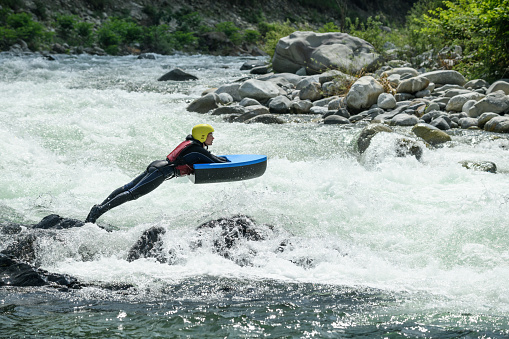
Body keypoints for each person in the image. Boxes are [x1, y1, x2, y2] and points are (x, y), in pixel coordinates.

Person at [85, 124, 227, 223]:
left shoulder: (192, 145)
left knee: (126, 188)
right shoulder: (197, 149)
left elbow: (209, 157)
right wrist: (228, 160)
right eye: (210, 135)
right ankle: (99, 211)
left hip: (156, 165)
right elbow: (216, 161)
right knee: (132, 193)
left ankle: (98, 209)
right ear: (202, 136)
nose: (213, 138)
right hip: (161, 172)